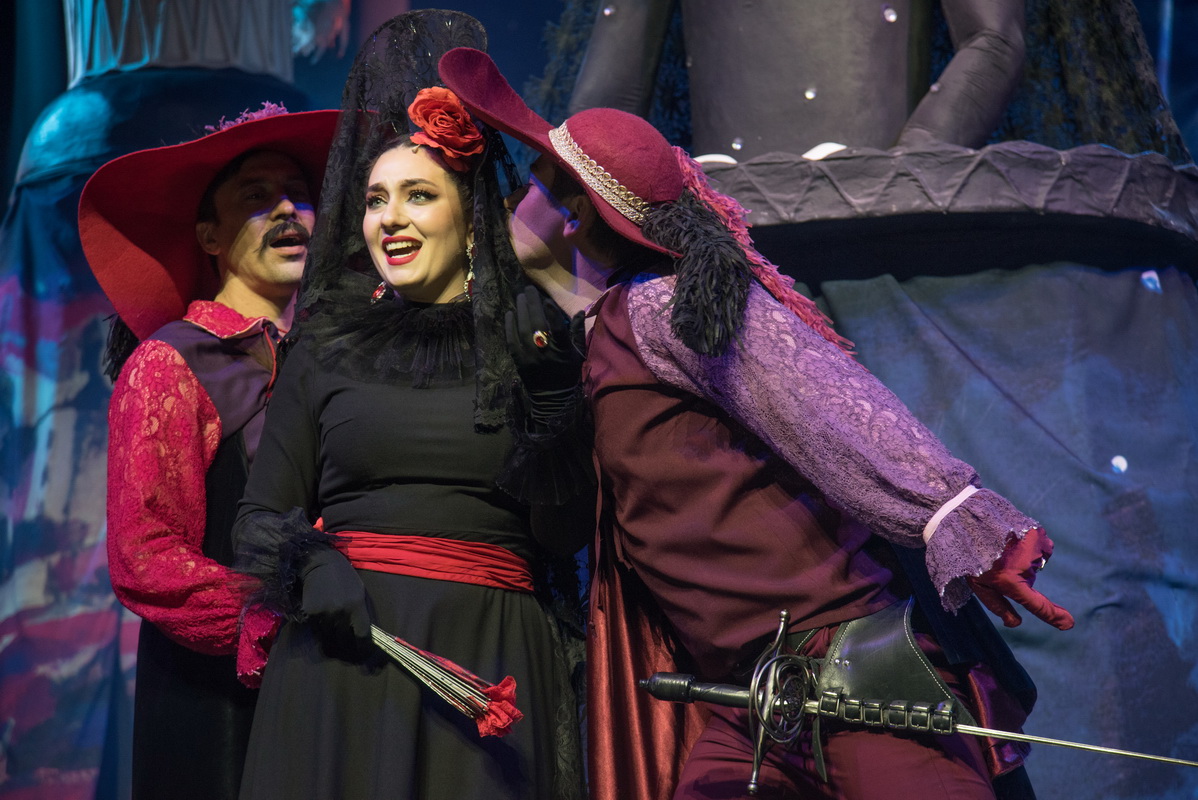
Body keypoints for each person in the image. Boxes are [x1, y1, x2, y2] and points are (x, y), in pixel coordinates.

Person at [441, 47, 1076, 800]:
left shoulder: (662, 308)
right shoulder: (597, 342)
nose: (514, 201)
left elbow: (828, 402)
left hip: (849, 676)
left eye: (533, 185)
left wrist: (953, 514)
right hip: (756, 704)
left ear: (575, 213)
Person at [230, 11, 588, 800]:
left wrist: (554, 399)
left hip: (488, 661)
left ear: (470, 220)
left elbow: (564, 539)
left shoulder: (529, 340)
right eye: (374, 199)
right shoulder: (326, 345)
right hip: (343, 660)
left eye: (417, 195)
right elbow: (258, 518)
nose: (388, 218)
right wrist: (309, 562)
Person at [77, 104, 339, 798]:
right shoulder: (172, 364)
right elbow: (145, 555)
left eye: (299, 194)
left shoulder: (340, 359)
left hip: (337, 685)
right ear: (210, 235)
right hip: (218, 702)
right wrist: (275, 615)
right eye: (256, 196)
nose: (286, 210)